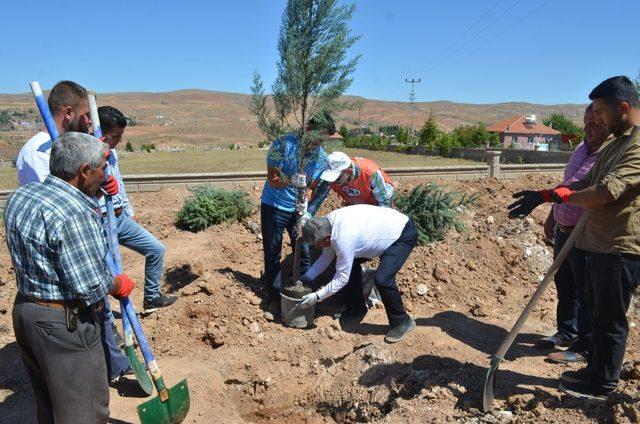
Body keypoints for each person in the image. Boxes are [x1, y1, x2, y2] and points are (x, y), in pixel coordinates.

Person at [508, 75, 640, 400]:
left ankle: (602, 383)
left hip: (620, 246)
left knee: (609, 317)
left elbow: (607, 191)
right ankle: (594, 370)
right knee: (596, 311)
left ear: (622, 108)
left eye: (600, 112)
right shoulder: (619, 142)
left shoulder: (637, 145)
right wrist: (545, 195)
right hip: (599, 243)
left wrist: (564, 199)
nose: (596, 118)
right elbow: (586, 181)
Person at [4, 132, 136, 422]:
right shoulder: (74, 213)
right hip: (64, 324)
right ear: (84, 171)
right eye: (102, 168)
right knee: (84, 412)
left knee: (50, 405)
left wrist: (100, 191)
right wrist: (117, 285)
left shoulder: (22, 196)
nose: (106, 173)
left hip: (27, 313)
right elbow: (90, 286)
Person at [536, 104, 610, 364]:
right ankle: (567, 331)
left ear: (609, 122)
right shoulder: (581, 149)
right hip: (564, 229)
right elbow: (566, 186)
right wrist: (552, 215)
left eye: (594, 125)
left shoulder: (610, 154)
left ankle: (584, 345)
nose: (588, 130)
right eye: (585, 124)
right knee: (565, 284)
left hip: (587, 234)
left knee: (586, 290)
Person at [295, 204, 417, 343]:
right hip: (378, 234)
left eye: (317, 244)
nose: (316, 247)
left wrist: (317, 296)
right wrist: (307, 277)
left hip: (400, 234)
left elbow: (342, 278)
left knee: (382, 279)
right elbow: (326, 256)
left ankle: (402, 321)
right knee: (348, 265)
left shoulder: (342, 237)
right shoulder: (326, 224)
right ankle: (357, 308)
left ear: (328, 237)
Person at [98, 105, 176, 314]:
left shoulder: (112, 153)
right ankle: (102, 319)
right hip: (99, 222)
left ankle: (151, 297)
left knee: (155, 249)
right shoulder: (89, 154)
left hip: (119, 217)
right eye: (115, 136)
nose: (119, 141)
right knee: (101, 272)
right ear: (101, 132)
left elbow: (119, 184)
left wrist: (128, 211)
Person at [260, 112, 332, 308]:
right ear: (308, 129)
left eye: (324, 140)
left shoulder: (321, 157)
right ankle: (273, 296)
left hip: (298, 210)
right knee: (273, 251)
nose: (319, 143)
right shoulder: (283, 145)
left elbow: (312, 187)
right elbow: (273, 180)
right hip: (273, 206)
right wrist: (291, 180)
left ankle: (305, 293)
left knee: (304, 250)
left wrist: (306, 200)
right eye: (319, 137)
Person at [16, 80, 93, 185]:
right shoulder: (39, 153)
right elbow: (53, 198)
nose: (90, 121)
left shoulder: (66, 146)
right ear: (68, 113)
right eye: (87, 115)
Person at [308, 151, 394, 214]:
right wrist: (307, 216)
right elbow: (318, 198)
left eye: (337, 179)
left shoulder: (371, 173)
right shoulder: (332, 177)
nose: (333, 182)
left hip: (377, 205)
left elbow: (385, 205)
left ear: (348, 172)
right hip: (356, 204)